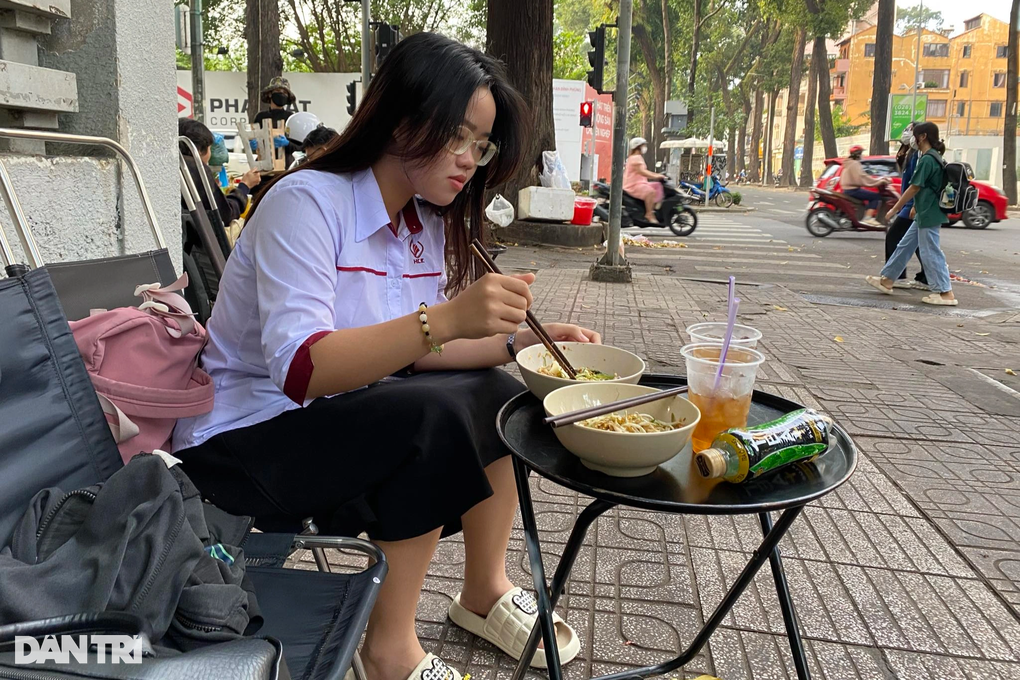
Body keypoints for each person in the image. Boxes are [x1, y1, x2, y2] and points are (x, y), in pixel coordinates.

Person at [172, 33, 595, 680]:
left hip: (337, 418)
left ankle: (482, 591)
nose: (468, 160)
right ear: (402, 117)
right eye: (458, 136)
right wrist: (446, 319)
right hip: (244, 442)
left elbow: (419, 354)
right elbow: (302, 370)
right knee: (429, 419)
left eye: (480, 146)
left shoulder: (419, 223)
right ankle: (389, 649)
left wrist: (523, 342)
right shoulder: (306, 203)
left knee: (501, 395)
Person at [866, 121, 956, 306]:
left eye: (914, 134)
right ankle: (888, 280)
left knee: (930, 251)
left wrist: (894, 209)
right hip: (924, 210)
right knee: (905, 245)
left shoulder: (928, 159)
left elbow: (914, 187)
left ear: (922, 137)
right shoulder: (931, 156)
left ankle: (945, 293)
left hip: (929, 212)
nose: (911, 138)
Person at [179, 118, 261, 225]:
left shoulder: (175, 165)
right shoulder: (196, 170)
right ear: (199, 150)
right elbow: (226, 215)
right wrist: (245, 186)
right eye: (210, 148)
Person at [885, 124, 927, 290]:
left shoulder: (919, 156)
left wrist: (908, 206)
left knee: (894, 237)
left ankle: (895, 276)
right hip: (909, 205)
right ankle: (925, 277)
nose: (906, 133)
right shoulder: (910, 154)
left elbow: (916, 185)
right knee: (918, 245)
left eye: (910, 131)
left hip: (912, 206)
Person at [840, 145, 888, 226]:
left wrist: (877, 180)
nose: (862, 155)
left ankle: (863, 217)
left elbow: (863, 176)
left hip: (847, 190)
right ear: (857, 154)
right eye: (861, 153)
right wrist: (878, 181)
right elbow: (862, 177)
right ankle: (868, 218)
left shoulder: (849, 163)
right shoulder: (855, 164)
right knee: (875, 197)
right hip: (852, 190)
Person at [254, 76, 297, 166]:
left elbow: (300, 147)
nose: (281, 94)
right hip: (265, 167)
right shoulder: (260, 117)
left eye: (284, 93)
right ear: (270, 94)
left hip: (286, 167)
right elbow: (254, 141)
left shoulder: (291, 118)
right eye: (278, 91)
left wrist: (287, 144)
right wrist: (253, 144)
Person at [622, 137, 666, 223]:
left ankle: (653, 208)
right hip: (633, 185)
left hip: (641, 183)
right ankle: (649, 214)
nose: (645, 147)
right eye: (643, 145)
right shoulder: (635, 158)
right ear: (638, 147)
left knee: (658, 186)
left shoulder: (637, 157)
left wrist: (658, 175)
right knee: (651, 192)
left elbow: (644, 172)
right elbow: (642, 172)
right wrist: (656, 176)